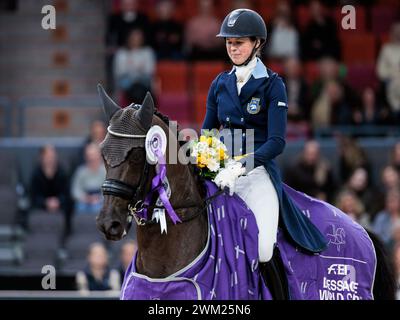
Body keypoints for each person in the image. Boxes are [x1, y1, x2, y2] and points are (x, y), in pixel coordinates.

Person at [202, 9, 326, 264]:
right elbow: (208, 134)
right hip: (222, 178)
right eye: (229, 43)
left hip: (257, 177)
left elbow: (277, 142)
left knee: (264, 251)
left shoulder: (272, 84)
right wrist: (206, 160)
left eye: (239, 43)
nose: (233, 49)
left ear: (257, 43)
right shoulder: (219, 84)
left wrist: (241, 166)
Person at [30, 145, 73, 238]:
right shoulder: (36, 174)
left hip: (60, 206)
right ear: (42, 157)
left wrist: (58, 202)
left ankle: (65, 237)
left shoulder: (62, 172)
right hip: (41, 206)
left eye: (53, 156)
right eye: (48, 156)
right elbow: (34, 196)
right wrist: (46, 203)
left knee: (70, 208)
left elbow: (66, 194)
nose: (51, 159)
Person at [71, 143, 106, 214]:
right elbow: (75, 190)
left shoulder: (105, 171)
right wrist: (85, 198)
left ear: (99, 156)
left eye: (94, 155)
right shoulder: (81, 171)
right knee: (80, 207)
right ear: (85, 157)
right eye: (89, 155)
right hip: (84, 199)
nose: (92, 158)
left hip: (100, 200)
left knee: (97, 208)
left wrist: (98, 198)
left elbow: (108, 190)